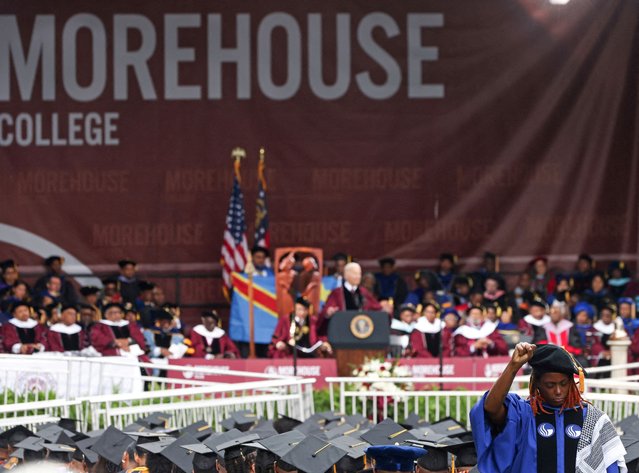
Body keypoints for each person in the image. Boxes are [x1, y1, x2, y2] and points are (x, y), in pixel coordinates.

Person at [470, 343, 627, 473]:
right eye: (550, 385)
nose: (558, 391)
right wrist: (513, 367)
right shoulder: (524, 414)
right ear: (537, 383)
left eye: (564, 384)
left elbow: (610, 464)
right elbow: (490, 408)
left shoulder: (590, 418)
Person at [317, 262, 383, 336]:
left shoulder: (363, 292)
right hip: (342, 333)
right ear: (346, 275)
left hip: (361, 333)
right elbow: (325, 311)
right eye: (355, 273)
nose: (358, 276)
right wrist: (328, 312)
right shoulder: (337, 293)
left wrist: (384, 308)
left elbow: (376, 308)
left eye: (359, 274)